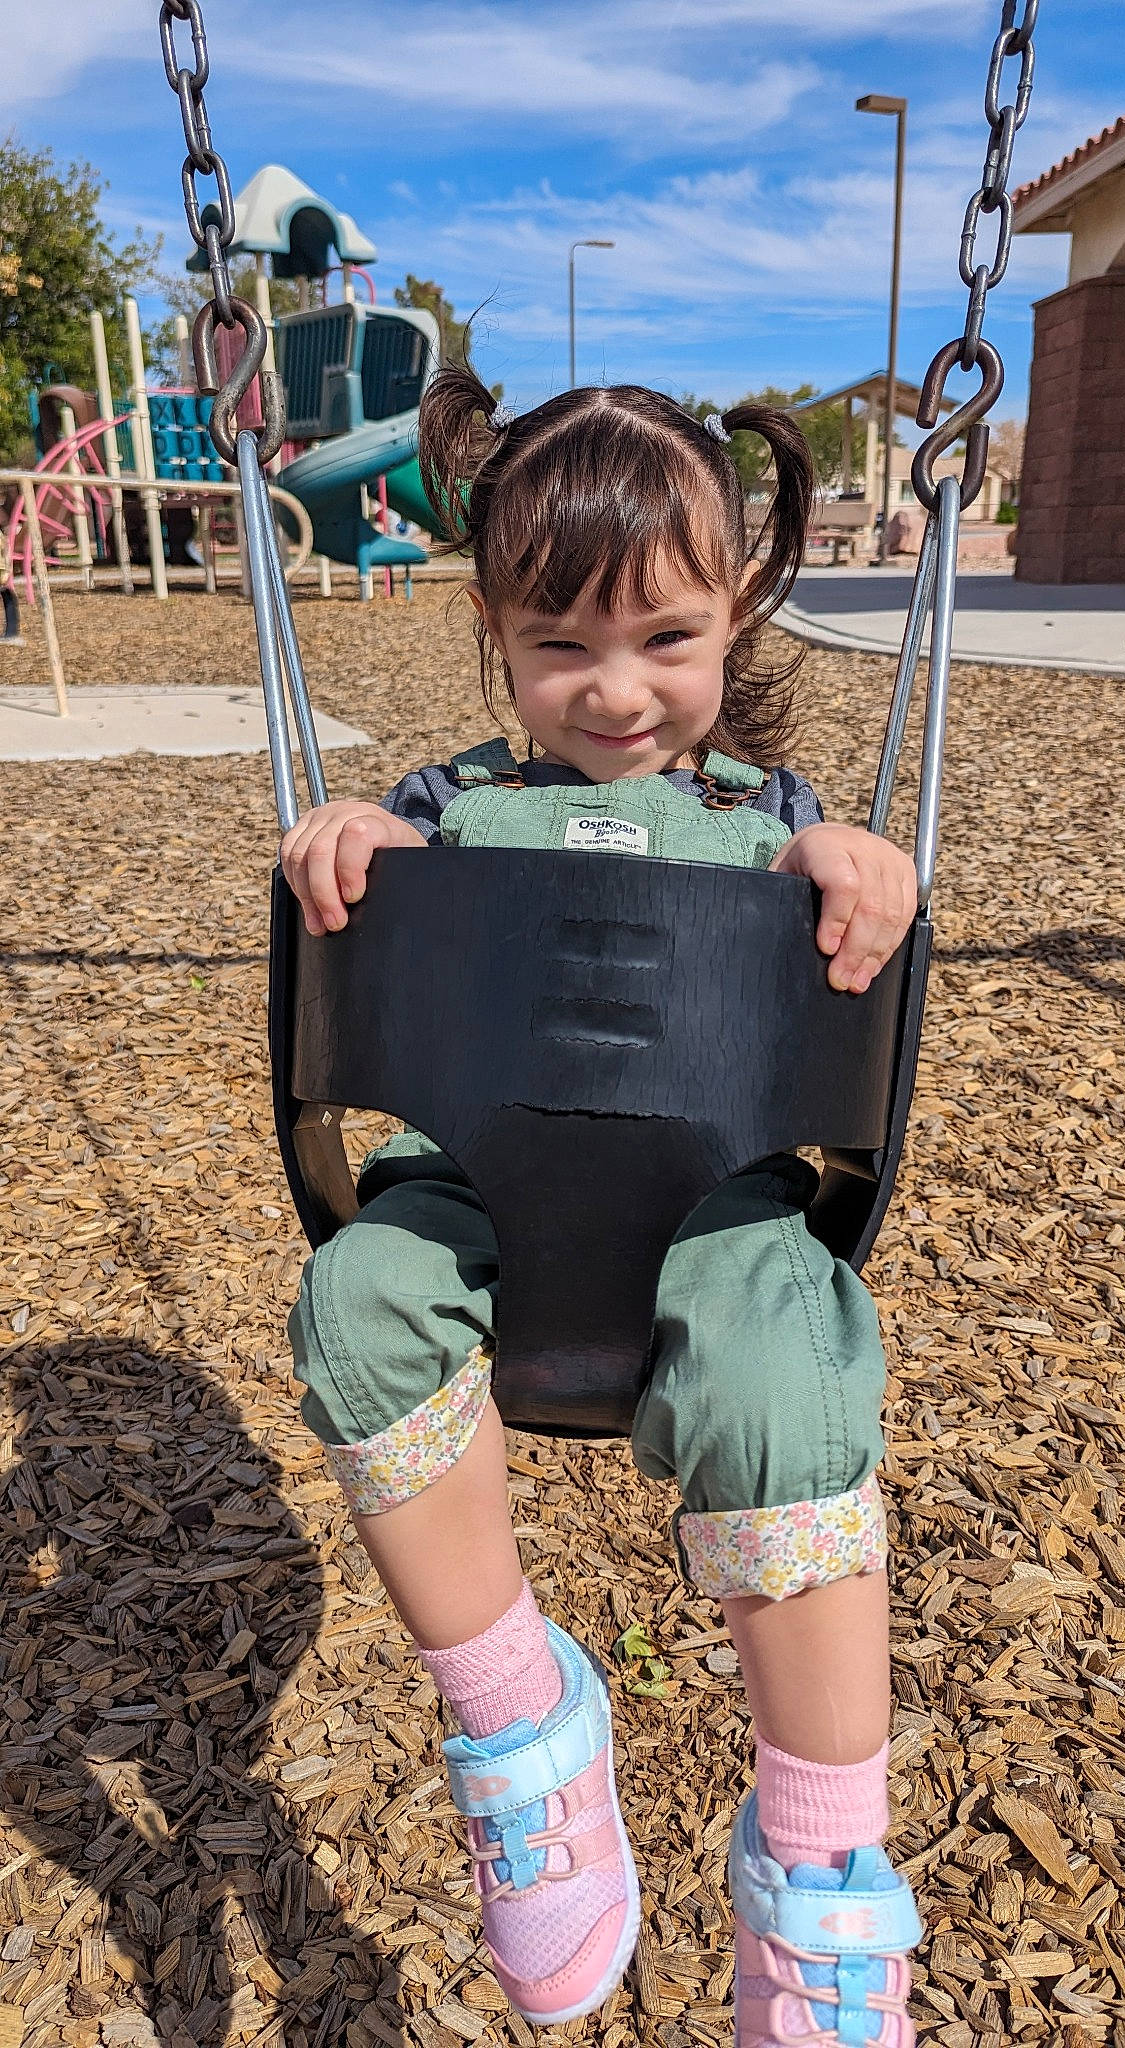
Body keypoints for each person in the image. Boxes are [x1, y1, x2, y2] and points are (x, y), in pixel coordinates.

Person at [282, 368, 922, 2046]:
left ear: (739, 614)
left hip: (717, 1208)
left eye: (668, 641)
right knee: (355, 1305)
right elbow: (367, 882)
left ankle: (823, 1872)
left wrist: (868, 868)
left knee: (787, 1383)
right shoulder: (442, 807)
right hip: (474, 1187)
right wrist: (345, 842)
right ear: (496, 630)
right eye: (563, 646)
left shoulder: (766, 823)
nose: (618, 692)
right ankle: (520, 1728)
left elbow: (841, 900)